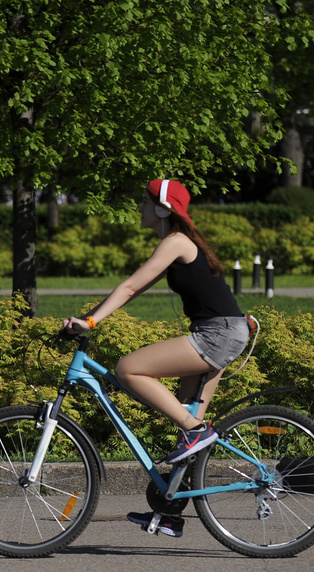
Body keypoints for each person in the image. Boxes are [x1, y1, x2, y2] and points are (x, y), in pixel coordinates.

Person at [61, 179, 249, 538]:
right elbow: (136, 290)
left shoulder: (176, 242)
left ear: (163, 209)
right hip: (224, 331)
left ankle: (197, 432)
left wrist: (88, 321)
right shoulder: (180, 244)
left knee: (128, 369)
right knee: (184, 425)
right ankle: (169, 509)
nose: (140, 210)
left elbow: (130, 286)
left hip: (218, 334)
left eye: (144, 203)